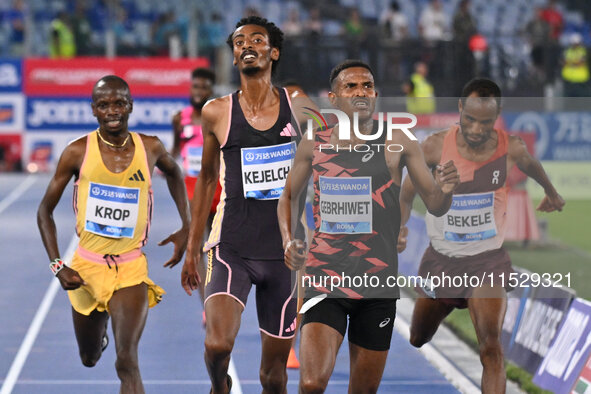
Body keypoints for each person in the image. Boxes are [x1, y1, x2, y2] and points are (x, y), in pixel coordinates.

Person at [278, 59, 460, 394]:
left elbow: (435, 204)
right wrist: (291, 240)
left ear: (375, 95)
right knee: (310, 383)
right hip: (326, 280)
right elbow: (287, 197)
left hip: (376, 284)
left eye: (367, 86)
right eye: (351, 86)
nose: (361, 92)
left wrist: (445, 191)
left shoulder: (400, 143)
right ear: (333, 99)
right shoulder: (312, 144)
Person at [398, 78, 565, 393]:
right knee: (419, 337)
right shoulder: (434, 146)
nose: (476, 129)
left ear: (498, 115)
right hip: (442, 261)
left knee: (491, 347)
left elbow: (531, 164)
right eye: (470, 119)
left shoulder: (510, 146)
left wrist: (551, 193)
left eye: (485, 122)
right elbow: (406, 194)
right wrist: (400, 228)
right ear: (460, 109)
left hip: (487, 263)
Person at [37, 75, 190, 393]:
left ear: (130, 105)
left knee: (127, 360)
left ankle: (119, 339)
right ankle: (100, 334)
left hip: (130, 270)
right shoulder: (77, 152)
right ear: (93, 109)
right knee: (89, 357)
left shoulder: (150, 147)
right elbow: (44, 213)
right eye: (104, 104)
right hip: (86, 269)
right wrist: (57, 265)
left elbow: (174, 172)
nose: (112, 110)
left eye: (119, 102)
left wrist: (187, 226)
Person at [180, 16, 309, 393]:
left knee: (274, 376)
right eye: (239, 42)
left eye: (257, 39)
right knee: (217, 345)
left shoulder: (296, 103)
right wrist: (192, 248)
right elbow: (205, 180)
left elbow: (333, 149)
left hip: (284, 253)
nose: (247, 45)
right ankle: (219, 385)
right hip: (231, 245)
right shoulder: (216, 112)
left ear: (274, 52)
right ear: (235, 57)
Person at [171, 67, 220, 307]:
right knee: (198, 245)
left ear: (211, 89)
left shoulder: (219, 116)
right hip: (193, 188)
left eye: (203, 87)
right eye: (195, 87)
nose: (198, 91)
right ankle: (207, 305)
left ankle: (220, 292)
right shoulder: (180, 118)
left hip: (219, 188)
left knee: (218, 246)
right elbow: (175, 149)